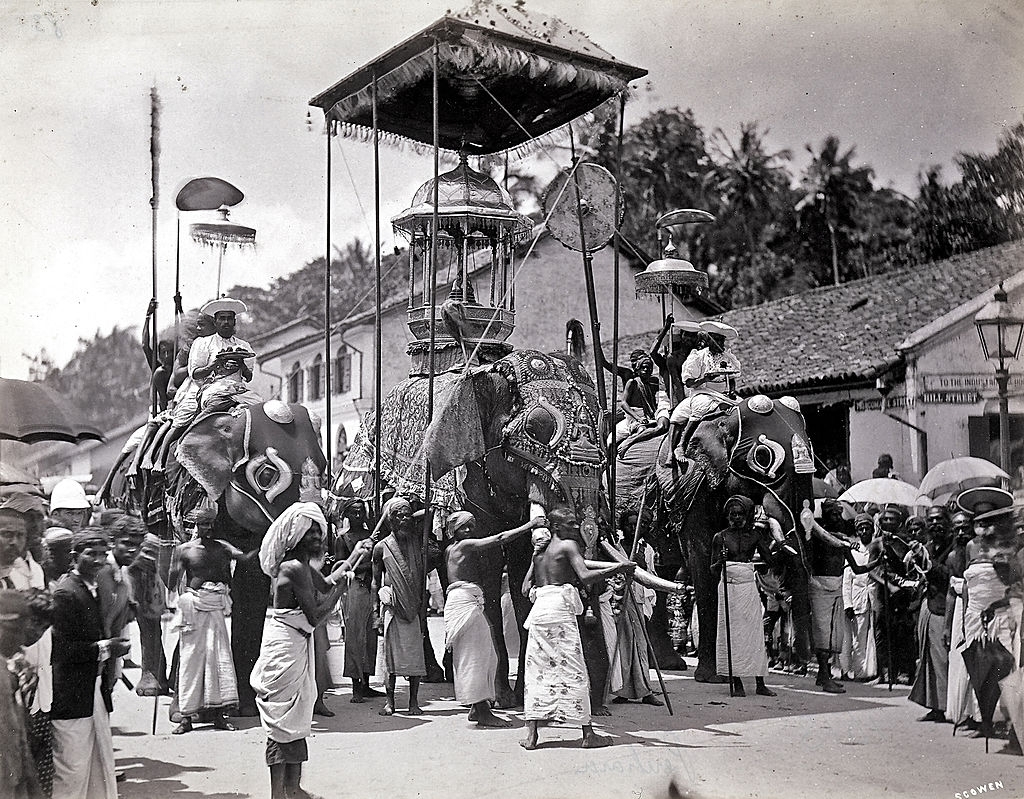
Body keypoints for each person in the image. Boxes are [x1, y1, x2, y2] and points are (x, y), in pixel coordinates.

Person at [251, 497, 367, 799]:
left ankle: (294, 788)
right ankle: (279, 793)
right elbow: (317, 613)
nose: (317, 536)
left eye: (319, 531)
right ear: (295, 536)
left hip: (295, 644)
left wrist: (353, 558)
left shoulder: (301, 565)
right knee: (283, 721)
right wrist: (344, 586)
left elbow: (326, 582)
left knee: (296, 717)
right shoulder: (292, 567)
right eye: (310, 532)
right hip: (286, 646)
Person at [519, 506, 633, 750]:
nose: (575, 527)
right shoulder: (568, 546)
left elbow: (525, 588)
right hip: (559, 610)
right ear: (556, 527)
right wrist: (617, 568)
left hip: (540, 612)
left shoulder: (539, 553)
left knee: (537, 671)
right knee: (574, 668)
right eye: (570, 524)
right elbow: (585, 576)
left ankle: (531, 736)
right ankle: (588, 734)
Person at [443, 511, 547, 727]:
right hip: (465, 601)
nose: (470, 530)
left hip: (462, 600)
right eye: (464, 527)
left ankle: (476, 706)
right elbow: (500, 539)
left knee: (483, 654)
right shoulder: (464, 546)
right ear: (454, 531)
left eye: (472, 526)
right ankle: (482, 711)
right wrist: (531, 524)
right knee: (479, 656)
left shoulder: (450, 550)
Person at [50, 527, 130, 799]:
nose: (98, 560)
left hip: (91, 691)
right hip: (71, 696)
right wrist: (107, 648)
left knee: (97, 765)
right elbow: (61, 650)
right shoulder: (66, 593)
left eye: (102, 554)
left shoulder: (91, 589)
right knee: (72, 770)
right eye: (91, 554)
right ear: (75, 556)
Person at [166, 506, 246, 734]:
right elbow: (172, 581)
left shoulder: (223, 548)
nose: (208, 529)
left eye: (211, 524)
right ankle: (186, 718)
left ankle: (219, 716)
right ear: (194, 525)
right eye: (203, 524)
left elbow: (247, 558)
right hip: (194, 609)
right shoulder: (185, 550)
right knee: (191, 663)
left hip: (215, 608)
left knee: (219, 660)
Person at [1, 499, 55, 797]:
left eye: (19, 535)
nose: (14, 541)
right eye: (6, 533)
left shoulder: (25, 570)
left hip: (29, 683)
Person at [804, 500, 880, 693]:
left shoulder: (845, 542)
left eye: (839, 515)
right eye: (833, 515)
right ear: (825, 518)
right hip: (820, 587)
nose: (837, 518)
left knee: (834, 634)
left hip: (836, 587)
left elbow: (858, 568)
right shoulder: (816, 537)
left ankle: (824, 675)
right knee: (823, 632)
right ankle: (824, 674)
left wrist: (877, 562)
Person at [711, 496, 777, 697]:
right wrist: (721, 561)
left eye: (740, 513)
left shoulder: (755, 536)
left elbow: (768, 561)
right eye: (733, 514)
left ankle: (760, 682)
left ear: (747, 515)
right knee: (732, 635)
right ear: (727, 516)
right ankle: (737, 682)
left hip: (748, 589)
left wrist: (779, 550)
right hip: (729, 588)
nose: (736, 517)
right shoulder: (720, 538)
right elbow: (713, 569)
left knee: (753, 634)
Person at [372, 496, 427, 716]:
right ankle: (390, 702)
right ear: (391, 520)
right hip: (392, 607)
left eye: (407, 515)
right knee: (390, 658)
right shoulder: (381, 547)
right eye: (399, 515)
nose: (405, 519)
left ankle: (413, 702)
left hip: (412, 607)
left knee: (415, 655)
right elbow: (376, 580)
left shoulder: (417, 543)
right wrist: (376, 613)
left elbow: (427, 514)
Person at [910, 505, 957, 722]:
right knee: (927, 658)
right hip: (928, 607)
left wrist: (929, 565)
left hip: (945, 610)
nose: (935, 524)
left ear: (948, 523)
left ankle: (949, 706)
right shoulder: (929, 546)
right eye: (932, 520)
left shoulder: (956, 546)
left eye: (939, 520)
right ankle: (934, 706)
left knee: (943, 660)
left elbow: (950, 576)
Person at [333, 499, 382, 703]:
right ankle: (356, 687)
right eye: (353, 512)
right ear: (346, 515)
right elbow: (340, 568)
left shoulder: (372, 536)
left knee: (371, 637)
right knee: (355, 637)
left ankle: (367, 683)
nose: (358, 515)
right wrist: (363, 558)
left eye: (361, 511)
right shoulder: (342, 539)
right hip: (354, 589)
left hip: (372, 589)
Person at [0, 589, 44, 799]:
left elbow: (18, 735)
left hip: (13, 775)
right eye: (17, 631)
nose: (21, 641)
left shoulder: (8, 672)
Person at [944, 509, 981, 732]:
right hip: (959, 610)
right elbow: (951, 592)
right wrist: (948, 626)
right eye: (956, 528)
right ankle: (965, 713)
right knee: (959, 662)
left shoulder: (980, 552)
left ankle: (980, 716)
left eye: (964, 527)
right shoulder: (952, 556)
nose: (960, 532)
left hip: (978, 609)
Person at [141, 298, 175, 413]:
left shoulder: (179, 366)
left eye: (169, 351)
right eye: (163, 352)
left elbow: (188, 335)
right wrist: (148, 316)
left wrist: (179, 308)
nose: (166, 355)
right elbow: (145, 345)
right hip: (161, 411)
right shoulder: (158, 369)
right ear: (159, 354)